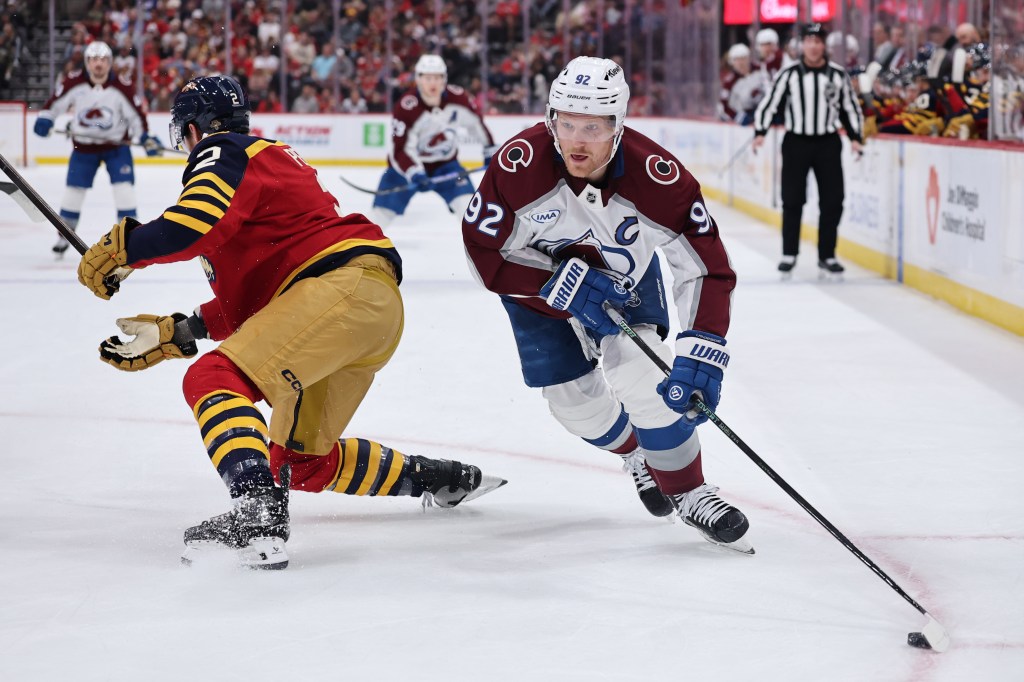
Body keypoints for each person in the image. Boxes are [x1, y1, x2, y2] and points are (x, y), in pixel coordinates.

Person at [75, 76, 504, 570]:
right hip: (364, 305)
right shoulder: (266, 171)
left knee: (214, 378)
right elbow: (260, 309)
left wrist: (126, 247)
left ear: (193, 130)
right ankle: (438, 477)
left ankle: (257, 514)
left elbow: (193, 223)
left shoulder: (225, 151)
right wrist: (178, 331)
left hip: (337, 290)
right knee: (299, 464)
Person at [462, 56, 753, 554]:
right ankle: (639, 454)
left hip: (628, 284)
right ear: (551, 118)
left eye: (593, 127)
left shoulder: (659, 180)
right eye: (566, 123)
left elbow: (705, 267)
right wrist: (556, 282)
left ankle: (688, 491)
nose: (576, 140)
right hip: (538, 296)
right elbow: (482, 250)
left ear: (618, 126)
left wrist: (702, 345)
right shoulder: (519, 166)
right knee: (573, 404)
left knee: (642, 374)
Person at [752, 23, 865, 279]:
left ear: (824, 45)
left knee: (833, 201)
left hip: (827, 141)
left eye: (818, 41)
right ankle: (789, 253)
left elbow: (849, 108)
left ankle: (827, 255)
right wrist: (760, 131)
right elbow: (770, 103)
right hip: (796, 142)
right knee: (792, 200)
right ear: (802, 44)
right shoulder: (789, 73)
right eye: (809, 40)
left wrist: (856, 137)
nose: (813, 46)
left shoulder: (837, 75)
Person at [33, 41, 163, 257]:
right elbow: (55, 103)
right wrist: (46, 118)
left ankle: (130, 239)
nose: (98, 64)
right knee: (73, 192)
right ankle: (64, 236)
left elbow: (136, 115)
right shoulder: (74, 82)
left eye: (103, 60)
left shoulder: (121, 86)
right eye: (94, 60)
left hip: (116, 148)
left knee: (124, 191)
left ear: (110, 62)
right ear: (87, 62)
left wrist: (145, 136)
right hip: (83, 148)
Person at [369, 54, 498, 228]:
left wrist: (489, 149)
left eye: (437, 78)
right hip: (403, 170)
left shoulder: (458, 98)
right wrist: (414, 172)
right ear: (418, 79)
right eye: (428, 78)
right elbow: (400, 150)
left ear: (444, 79)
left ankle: (483, 252)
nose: (433, 83)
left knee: (471, 212)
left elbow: (476, 124)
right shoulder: (406, 107)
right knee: (379, 217)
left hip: (446, 167)